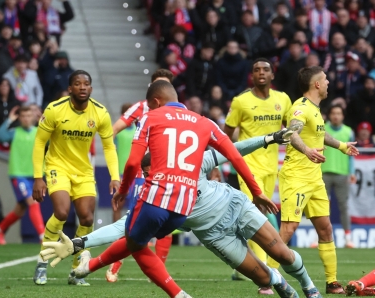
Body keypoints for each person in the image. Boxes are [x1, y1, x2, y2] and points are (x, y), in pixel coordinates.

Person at [41, 130, 322, 298]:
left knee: (284, 254)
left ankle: (309, 287)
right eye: (148, 173)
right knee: (263, 279)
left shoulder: (189, 163)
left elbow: (230, 151)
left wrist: (269, 138)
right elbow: (122, 228)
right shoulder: (151, 197)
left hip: (235, 206)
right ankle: (280, 282)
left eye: (154, 169)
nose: (153, 175)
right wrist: (79, 243)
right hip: (214, 235)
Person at [94, 80, 268, 298]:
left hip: (157, 194)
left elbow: (131, 163)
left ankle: (175, 293)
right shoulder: (205, 122)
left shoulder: (150, 116)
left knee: (133, 239)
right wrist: (256, 191)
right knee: (145, 236)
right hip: (183, 207)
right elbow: (233, 155)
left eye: (152, 105)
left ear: (156, 102)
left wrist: (124, 189)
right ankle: (294, 284)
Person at [268, 66, 359, 294]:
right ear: (317, 84)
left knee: (326, 228)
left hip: (315, 178)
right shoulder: (300, 108)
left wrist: (341, 146)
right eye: (325, 79)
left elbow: (320, 134)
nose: (328, 82)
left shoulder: (316, 110)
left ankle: (332, 282)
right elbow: (291, 132)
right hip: (296, 176)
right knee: (289, 228)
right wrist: (307, 150)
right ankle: (267, 278)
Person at [31, 70, 120, 286]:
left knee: (87, 218)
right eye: (77, 84)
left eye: (86, 84)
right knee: (61, 212)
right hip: (57, 167)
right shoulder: (54, 110)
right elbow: (39, 143)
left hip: (83, 171)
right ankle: (42, 262)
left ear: (90, 88)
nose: (82, 87)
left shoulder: (100, 113)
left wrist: (115, 177)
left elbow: (109, 146)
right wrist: (37, 177)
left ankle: (76, 270)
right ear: (70, 89)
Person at [223, 58, 292, 294]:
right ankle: (266, 275)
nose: (261, 73)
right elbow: (226, 134)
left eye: (265, 70)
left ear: (272, 75)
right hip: (248, 166)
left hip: (272, 166)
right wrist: (231, 158)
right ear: (251, 75)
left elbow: (291, 128)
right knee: (256, 214)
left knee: (250, 217)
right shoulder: (241, 101)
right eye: (256, 70)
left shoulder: (282, 99)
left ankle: (242, 264)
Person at [107, 69, 174, 282]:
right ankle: (115, 265)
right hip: (140, 173)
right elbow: (113, 129)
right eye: (158, 84)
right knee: (134, 220)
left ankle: (158, 271)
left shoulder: (178, 111)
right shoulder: (141, 107)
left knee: (166, 220)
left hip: (166, 172)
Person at [0, 106, 45, 245]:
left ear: (33, 117)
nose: (27, 119)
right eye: (23, 116)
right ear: (19, 118)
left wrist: (45, 122)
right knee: (33, 201)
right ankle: (43, 236)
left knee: (20, 210)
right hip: (18, 174)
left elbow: (55, 140)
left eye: (29, 115)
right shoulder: (14, 132)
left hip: (35, 175)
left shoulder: (40, 132)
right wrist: (9, 120)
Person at [322, 105, 356, 248]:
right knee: (321, 208)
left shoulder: (349, 131)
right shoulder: (322, 129)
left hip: (342, 173)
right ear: (329, 115)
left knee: (344, 207)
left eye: (339, 113)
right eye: (333, 113)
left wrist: (352, 172)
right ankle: (321, 237)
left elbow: (352, 155)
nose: (336, 116)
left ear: (343, 116)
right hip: (323, 172)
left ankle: (348, 239)